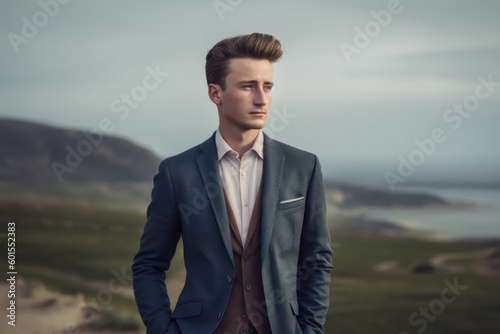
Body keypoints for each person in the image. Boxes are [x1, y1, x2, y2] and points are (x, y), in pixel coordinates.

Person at [132, 32, 333, 334]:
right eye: (248, 86)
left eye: (267, 87)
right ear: (216, 93)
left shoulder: (303, 166)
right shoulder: (178, 172)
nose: (262, 99)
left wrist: (310, 330)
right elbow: (149, 265)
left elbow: (316, 262)